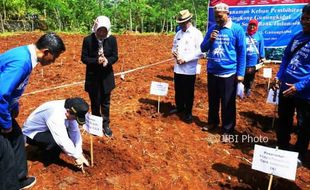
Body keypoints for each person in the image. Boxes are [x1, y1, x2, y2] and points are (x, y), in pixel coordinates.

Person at [0, 32, 65, 190]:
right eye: (54, 57)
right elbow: (1, 93)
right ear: (46, 52)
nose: (53, 61)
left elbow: (12, 89)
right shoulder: (22, 62)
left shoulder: (27, 58)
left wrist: (14, 106)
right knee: (5, 155)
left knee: (16, 139)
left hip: (4, 107)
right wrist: (5, 122)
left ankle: (20, 179)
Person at [200, 3, 246, 140]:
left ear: (227, 14)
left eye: (219, 16)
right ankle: (213, 122)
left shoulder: (237, 30)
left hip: (229, 73)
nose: (217, 19)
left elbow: (241, 53)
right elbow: (203, 48)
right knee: (213, 100)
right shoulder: (212, 29)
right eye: (215, 16)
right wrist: (210, 39)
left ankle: (228, 129)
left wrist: (241, 74)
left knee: (227, 103)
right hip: (212, 71)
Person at [273, 3, 310, 164]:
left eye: (309, 19)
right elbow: (286, 57)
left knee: (304, 125)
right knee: (284, 119)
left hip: (304, 93)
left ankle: (299, 155)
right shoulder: (297, 37)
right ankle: (282, 147)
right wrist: (279, 76)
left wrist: (299, 86)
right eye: (304, 18)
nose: (305, 21)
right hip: (286, 87)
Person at [22, 97, 90, 170]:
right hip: (32, 133)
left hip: (47, 129)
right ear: (68, 112)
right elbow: (61, 139)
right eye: (75, 118)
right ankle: (48, 158)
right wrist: (76, 157)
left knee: (67, 134)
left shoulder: (71, 108)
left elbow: (74, 131)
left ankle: (46, 146)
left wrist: (79, 152)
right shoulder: (55, 115)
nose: (75, 120)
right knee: (55, 142)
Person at [81, 16, 118, 137]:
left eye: (104, 31)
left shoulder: (112, 40)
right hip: (93, 77)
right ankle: (96, 124)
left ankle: (106, 125)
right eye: (100, 30)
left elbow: (115, 56)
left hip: (106, 76)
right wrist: (96, 61)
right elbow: (84, 58)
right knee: (95, 101)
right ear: (95, 28)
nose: (102, 33)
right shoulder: (87, 40)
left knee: (106, 102)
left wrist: (108, 61)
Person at [170, 9, 204, 123]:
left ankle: (188, 112)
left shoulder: (196, 33)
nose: (180, 25)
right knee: (178, 90)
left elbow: (201, 52)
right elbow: (174, 47)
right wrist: (174, 53)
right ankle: (179, 107)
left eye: (182, 23)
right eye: (179, 23)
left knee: (188, 91)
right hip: (178, 68)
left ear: (188, 21)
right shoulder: (178, 33)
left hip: (189, 69)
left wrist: (185, 59)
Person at [243, 19, 265, 97]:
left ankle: (248, 88)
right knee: (244, 73)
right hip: (244, 58)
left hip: (254, 59)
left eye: (254, 25)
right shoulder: (244, 35)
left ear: (256, 26)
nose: (252, 27)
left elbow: (261, 47)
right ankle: (242, 87)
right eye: (251, 25)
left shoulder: (259, 35)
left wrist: (262, 57)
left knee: (251, 73)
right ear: (248, 25)